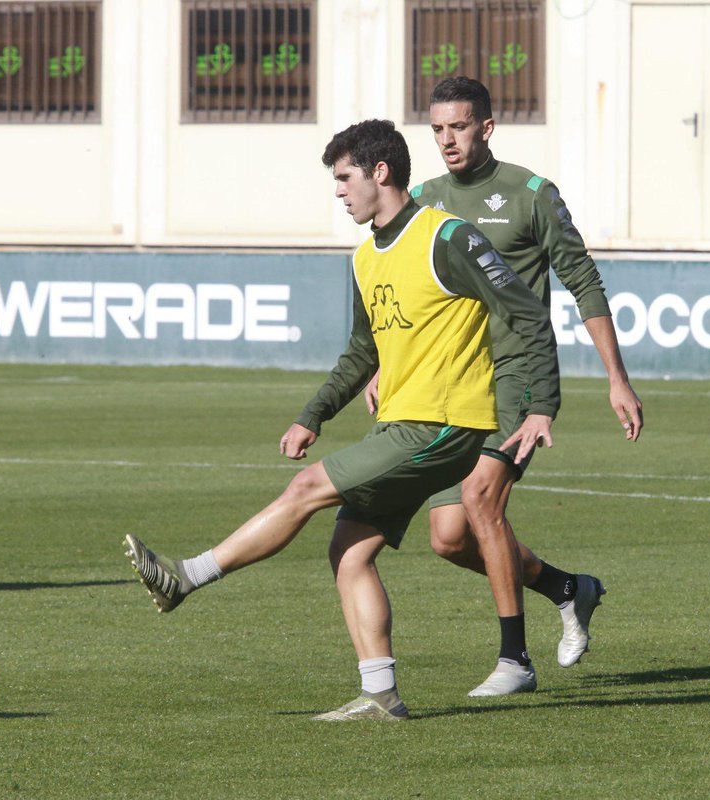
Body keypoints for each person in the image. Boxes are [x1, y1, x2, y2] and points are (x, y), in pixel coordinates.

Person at [123, 119, 562, 721]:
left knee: (306, 490)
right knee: (349, 552)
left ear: (380, 172)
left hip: (443, 425)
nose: (338, 192)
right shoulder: (364, 257)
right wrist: (313, 416)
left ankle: (187, 577)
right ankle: (381, 695)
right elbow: (362, 352)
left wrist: (541, 405)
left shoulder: (448, 239)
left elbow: (526, 311)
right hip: (401, 426)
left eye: (344, 177)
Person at [362, 77, 642, 695]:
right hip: (449, 382)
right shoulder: (424, 200)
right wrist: (384, 365)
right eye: (436, 130)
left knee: (483, 500)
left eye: (457, 127)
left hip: (514, 375)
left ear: (486, 127)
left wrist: (616, 380)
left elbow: (583, 282)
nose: (446, 140)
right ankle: (567, 589)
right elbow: (403, 291)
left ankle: (514, 660)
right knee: (448, 537)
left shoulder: (532, 195)